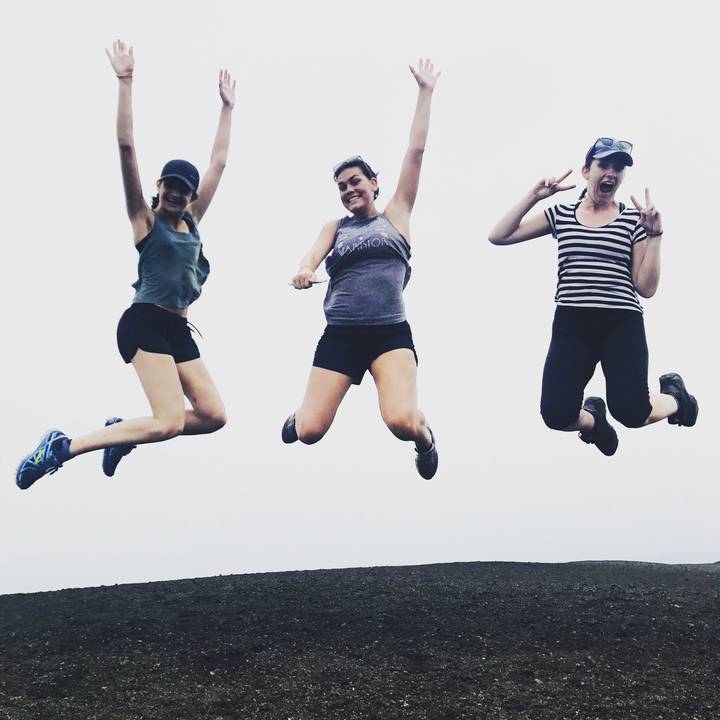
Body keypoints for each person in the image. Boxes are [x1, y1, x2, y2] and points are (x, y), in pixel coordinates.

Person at [15, 39, 235, 489]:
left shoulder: (192, 223)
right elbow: (125, 147)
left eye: (184, 188)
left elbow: (218, 163)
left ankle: (122, 433)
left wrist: (227, 109)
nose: (176, 192)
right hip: (143, 323)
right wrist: (125, 81)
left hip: (176, 330)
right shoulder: (145, 221)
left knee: (214, 416)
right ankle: (62, 447)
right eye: (169, 186)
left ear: (192, 196)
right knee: (169, 422)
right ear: (158, 188)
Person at [488, 137, 698, 455]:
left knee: (631, 412)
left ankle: (676, 399)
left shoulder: (632, 220)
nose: (612, 172)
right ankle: (594, 423)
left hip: (621, 322)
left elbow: (646, 288)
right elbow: (499, 235)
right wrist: (534, 195)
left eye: (619, 168)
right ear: (588, 171)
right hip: (573, 323)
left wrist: (654, 234)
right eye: (605, 165)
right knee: (556, 415)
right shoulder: (561, 213)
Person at [282, 59, 440, 479]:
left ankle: (427, 441)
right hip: (342, 335)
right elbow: (311, 257)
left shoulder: (396, 217)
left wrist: (425, 93)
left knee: (402, 424)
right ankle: (299, 414)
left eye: (355, 181)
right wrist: (303, 270)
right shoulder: (334, 227)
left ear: (373, 183)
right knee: (310, 432)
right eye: (341, 186)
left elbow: (416, 152)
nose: (349, 189)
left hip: (389, 333)